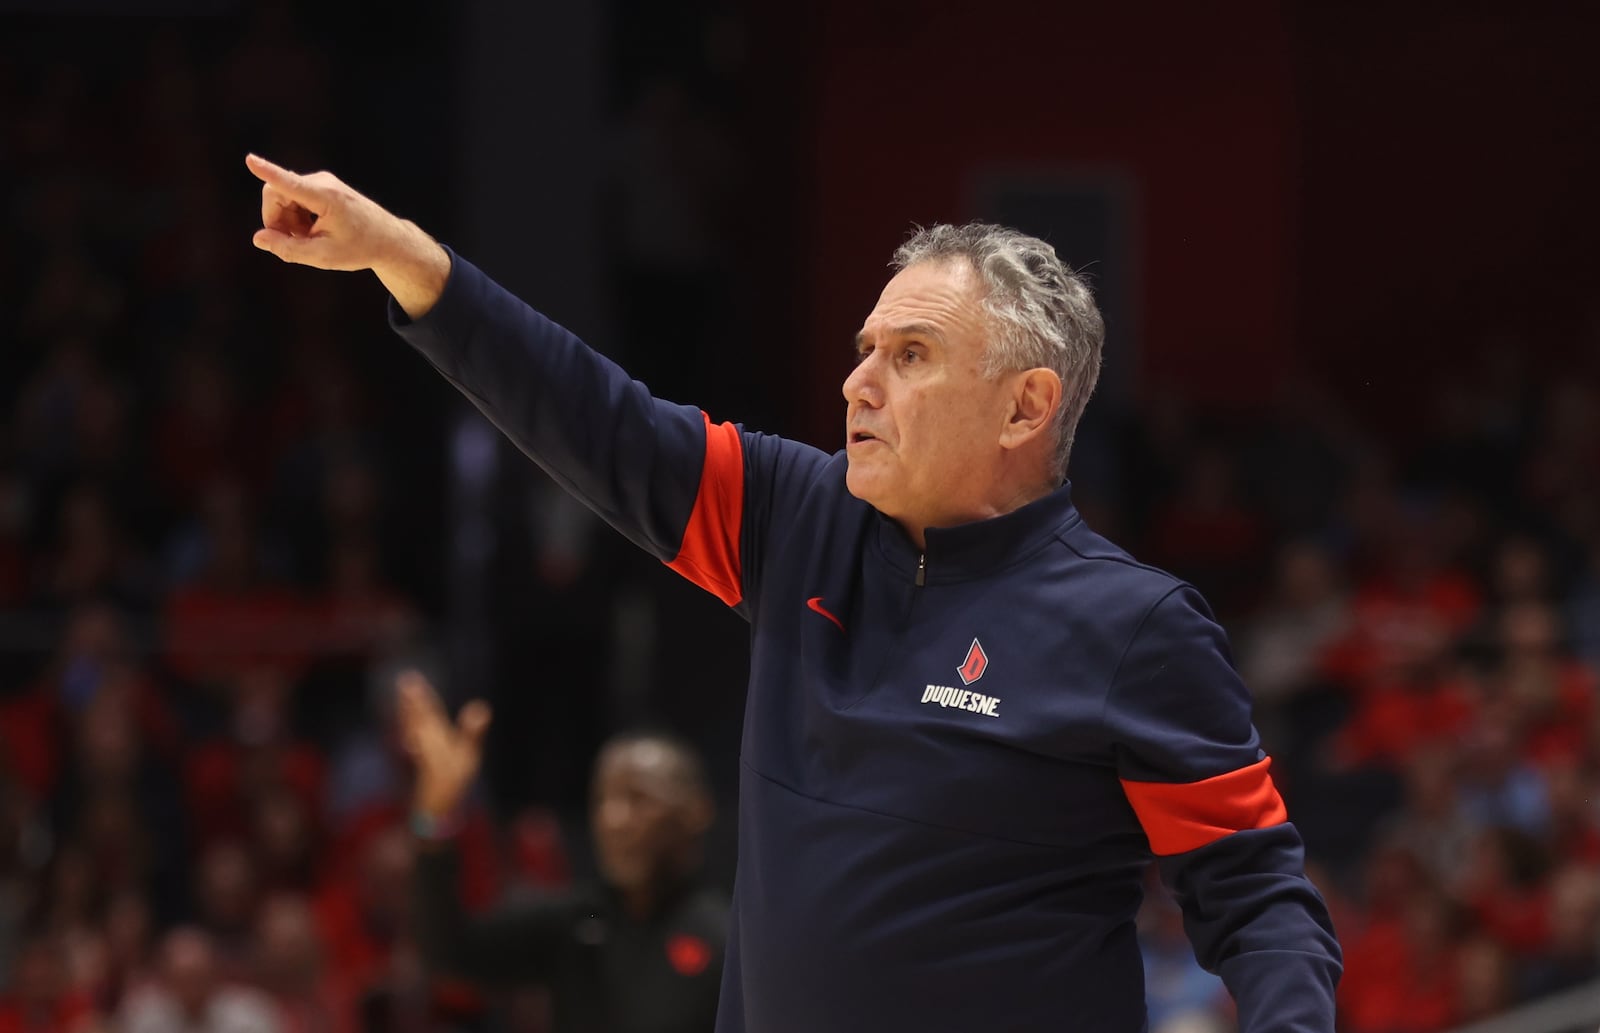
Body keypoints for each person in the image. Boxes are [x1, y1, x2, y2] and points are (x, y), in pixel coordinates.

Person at [244, 152, 1341, 1032]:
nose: (859, 381)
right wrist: (402, 258)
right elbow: (592, 417)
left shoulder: (1133, 626)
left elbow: (1255, 895)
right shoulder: (797, 518)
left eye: (911, 355)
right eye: (866, 348)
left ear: (1024, 407)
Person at [394, 670, 725, 1033]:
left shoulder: (727, 940)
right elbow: (450, 953)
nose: (612, 819)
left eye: (639, 798)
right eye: (602, 799)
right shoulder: (581, 923)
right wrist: (435, 817)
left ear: (696, 812)